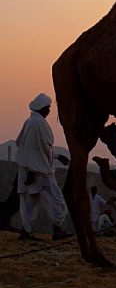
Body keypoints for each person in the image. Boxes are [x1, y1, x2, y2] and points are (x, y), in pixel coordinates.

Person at [15, 93, 73, 241]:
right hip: (37, 171)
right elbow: (31, 148)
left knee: (31, 202)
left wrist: (58, 156)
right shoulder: (36, 124)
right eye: (47, 108)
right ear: (41, 107)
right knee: (57, 201)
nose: (49, 111)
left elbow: (40, 149)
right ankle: (56, 230)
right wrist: (32, 170)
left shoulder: (32, 122)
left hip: (34, 169)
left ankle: (26, 232)